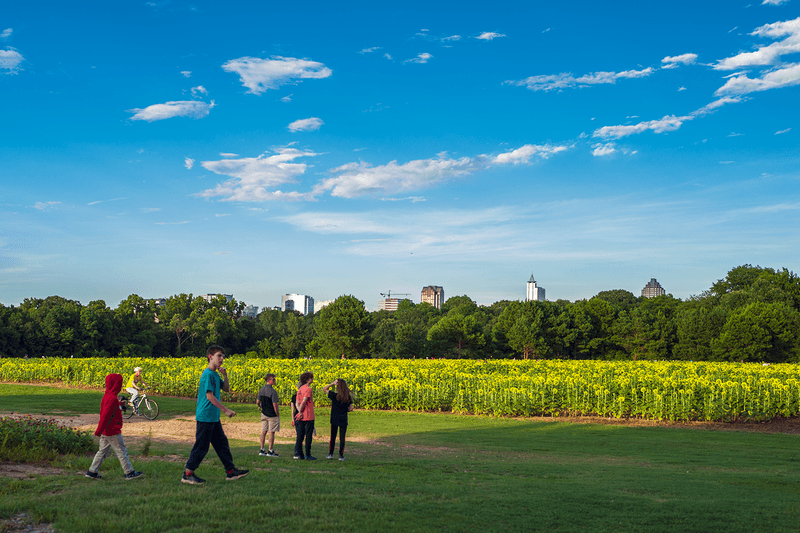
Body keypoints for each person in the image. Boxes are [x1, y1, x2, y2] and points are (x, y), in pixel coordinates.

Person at [182, 345, 249, 485]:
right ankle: (188, 474)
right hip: (205, 416)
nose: (222, 359)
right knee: (201, 446)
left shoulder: (215, 374)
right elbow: (209, 396)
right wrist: (226, 410)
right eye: (219, 355)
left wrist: (225, 375)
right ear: (210, 357)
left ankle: (231, 472)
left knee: (221, 444)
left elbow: (226, 389)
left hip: (213, 417)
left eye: (223, 356)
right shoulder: (207, 374)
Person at [85, 373, 143, 480]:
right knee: (122, 451)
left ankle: (92, 471)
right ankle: (129, 472)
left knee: (102, 451)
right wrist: (98, 430)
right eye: (119, 384)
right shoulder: (112, 399)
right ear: (115, 384)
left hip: (106, 431)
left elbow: (109, 411)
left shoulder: (108, 396)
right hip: (112, 431)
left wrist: (120, 405)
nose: (120, 386)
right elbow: (105, 416)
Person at [323, 378, 354, 461]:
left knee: (333, 437)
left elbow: (324, 389)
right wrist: (345, 410)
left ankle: (330, 454)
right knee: (342, 438)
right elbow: (351, 408)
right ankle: (341, 455)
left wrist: (332, 383)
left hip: (334, 418)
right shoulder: (348, 397)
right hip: (343, 419)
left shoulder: (334, 395)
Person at [256, 373, 280, 457]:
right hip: (272, 415)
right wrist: (277, 414)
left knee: (263, 431)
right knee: (271, 432)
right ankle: (270, 450)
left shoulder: (261, 390)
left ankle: (262, 449)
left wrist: (260, 407)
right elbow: (275, 405)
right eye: (273, 379)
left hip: (264, 413)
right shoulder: (273, 391)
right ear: (268, 380)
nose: (275, 380)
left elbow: (258, 402)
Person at [294, 372, 316, 460]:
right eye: (311, 378)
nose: (313, 379)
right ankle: (307, 454)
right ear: (307, 379)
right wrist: (301, 410)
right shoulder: (308, 389)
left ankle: (300, 454)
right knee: (308, 436)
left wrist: (299, 411)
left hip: (300, 416)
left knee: (300, 435)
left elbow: (297, 402)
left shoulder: (300, 389)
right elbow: (304, 401)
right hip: (308, 415)